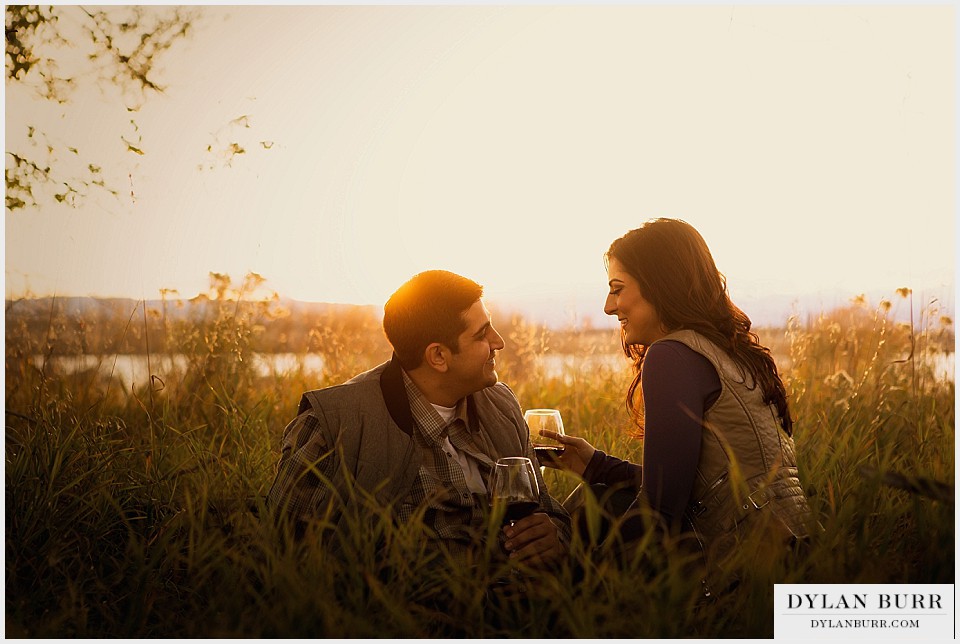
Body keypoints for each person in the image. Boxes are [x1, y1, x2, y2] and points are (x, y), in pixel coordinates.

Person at [540, 218, 813, 592]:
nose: (607, 306)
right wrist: (596, 465)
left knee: (594, 508)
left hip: (743, 579)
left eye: (617, 289)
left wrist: (569, 575)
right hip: (793, 562)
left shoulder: (672, 355)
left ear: (659, 284)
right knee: (606, 494)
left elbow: (660, 514)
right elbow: (687, 488)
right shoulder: (726, 352)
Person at [267, 269, 570, 568]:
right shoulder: (329, 426)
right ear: (438, 356)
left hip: (521, 606)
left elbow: (545, 506)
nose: (498, 341)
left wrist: (552, 533)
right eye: (482, 334)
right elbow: (284, 555)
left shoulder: (501, 404)